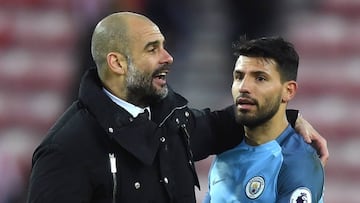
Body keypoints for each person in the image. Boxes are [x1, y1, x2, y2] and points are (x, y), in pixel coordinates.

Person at [26, 12, 327, 203]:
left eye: (164, 45)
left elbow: (221, 125)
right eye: (152, 49)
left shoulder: (169, 119)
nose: (168, 57)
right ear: (117, 63)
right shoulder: (66, 150)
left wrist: (286, 116)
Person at [205, 36, 325, 202]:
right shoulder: (227, 150)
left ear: (288, 91)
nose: (244, 87)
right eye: (239, 77)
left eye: (260, 78)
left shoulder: (296, 163)